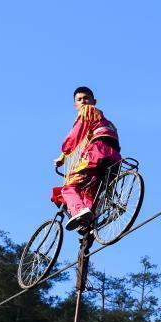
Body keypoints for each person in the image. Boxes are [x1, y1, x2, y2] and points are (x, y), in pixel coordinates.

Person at [54, 86, 121, 231]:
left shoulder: (88, 111)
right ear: (75, 104)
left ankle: (78, 211)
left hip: (97, 152)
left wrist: (63, 155)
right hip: (114, 157)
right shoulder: (107, 122)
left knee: (68, 187)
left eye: (86, 98)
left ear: (94, 101)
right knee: (91, 191)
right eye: (79, 99)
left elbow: (75, 135)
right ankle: (90, 225)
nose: (83, 101)